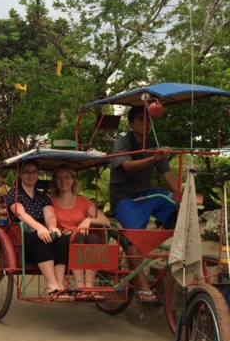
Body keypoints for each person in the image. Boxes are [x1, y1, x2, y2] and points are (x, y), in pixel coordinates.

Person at [110, 105, 180, 302]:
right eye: (141, 119)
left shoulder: (153, 144)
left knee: (177, 207)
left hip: (147, 195)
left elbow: (168, 174)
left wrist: (182, 194)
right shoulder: (122, 143)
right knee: (135, 238)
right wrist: (152, 158)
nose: (146, 123)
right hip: (125, 198)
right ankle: (143, 287)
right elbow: (127, 165)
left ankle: (155, 241)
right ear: (132, 124)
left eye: (149, 120)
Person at [5, 161, 73, 300]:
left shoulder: (43, 197)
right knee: (40, 238)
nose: (30, 175)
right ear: (20, 174)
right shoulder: (14, 194)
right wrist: (40, 228)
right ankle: (52, 286)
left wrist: (52, 227)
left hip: (42, 233)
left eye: (34, 172)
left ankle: (60, 285)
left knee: (60, 237)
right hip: (22, 238)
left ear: (38, 174)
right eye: (27, 172)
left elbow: (50, 215)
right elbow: (21, 214)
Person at [50, 165, 110, 289]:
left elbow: (106, 221)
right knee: (79, 237)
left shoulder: (83, 201)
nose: (63, 181)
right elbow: (49, 223)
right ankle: (79, 285)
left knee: (93, 238)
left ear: (73, 180)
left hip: (84, 243)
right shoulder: (51, 202)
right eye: (59, 178)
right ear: (55, 181)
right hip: (62, 243)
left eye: (67, 178)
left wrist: (89, 219)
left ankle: (89, 285)